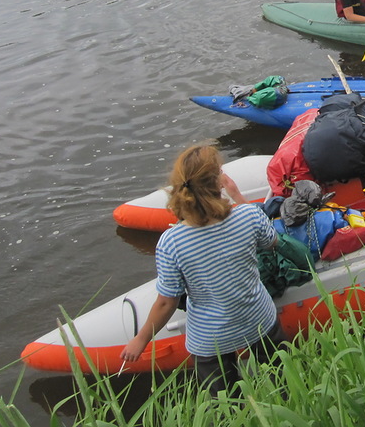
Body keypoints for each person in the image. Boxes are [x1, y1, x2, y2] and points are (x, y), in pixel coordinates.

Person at [120, 145, 287, 393]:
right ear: (219, 184)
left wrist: (141, 339)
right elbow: (271, 241)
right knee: (283, 382)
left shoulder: (171, 242)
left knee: (224, 403)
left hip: (211, 338)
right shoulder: (248, 216)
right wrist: (239, 197)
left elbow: (167, 303)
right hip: (258, 319)